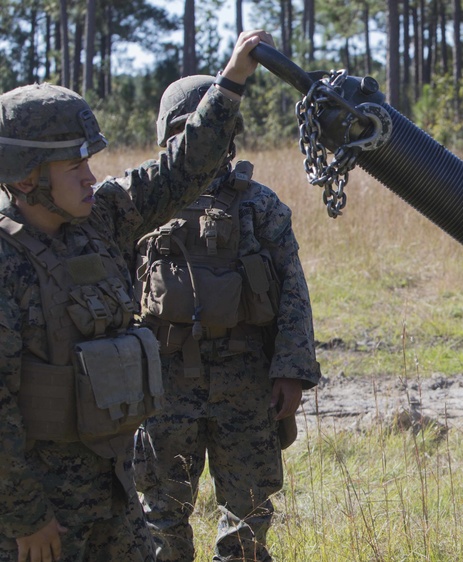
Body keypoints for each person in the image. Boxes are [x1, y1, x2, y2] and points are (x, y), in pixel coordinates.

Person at [0, 30, 271, 562]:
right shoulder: (6, 263)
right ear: (29, 179)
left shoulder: (101, 218)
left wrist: (231, 82)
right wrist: (25, 517)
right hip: (42, 515)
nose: (90, 176)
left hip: (115, 494)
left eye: (89, 162)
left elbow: (182, 170)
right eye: (74, 165)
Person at [132, 74, 322, 562]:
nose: (199, 141)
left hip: (246, 379)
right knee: (161, 515)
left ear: (230, 135)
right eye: (185, 131)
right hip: (163, 383)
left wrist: (290, 373)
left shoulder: (260, 206)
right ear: (166, 137)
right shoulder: (138, 206)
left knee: (249, 515)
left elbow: (293, 295)